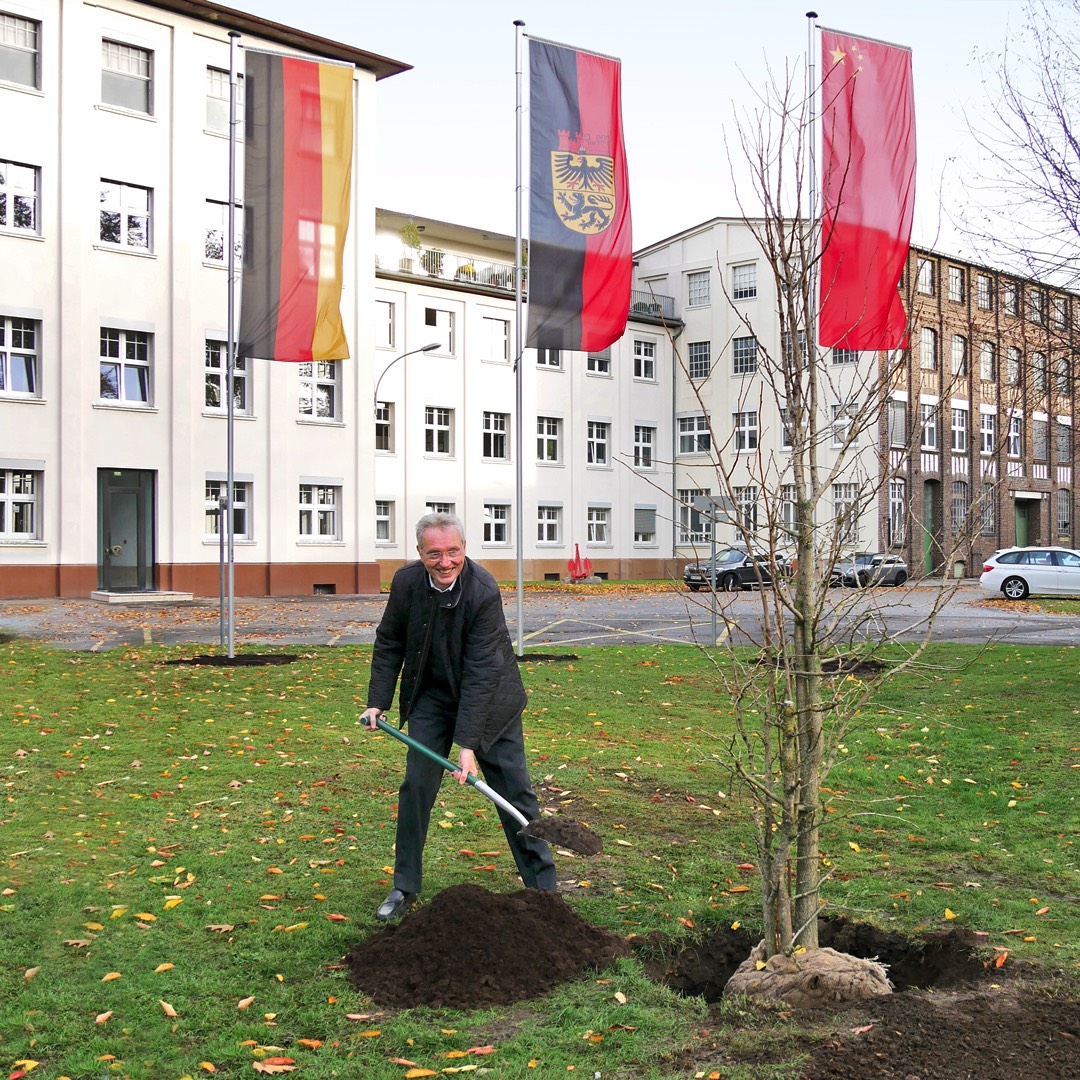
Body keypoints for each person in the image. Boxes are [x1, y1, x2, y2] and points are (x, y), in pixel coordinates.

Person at [360, 511, 556, 920]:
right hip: (432, 698)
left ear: (464, 549)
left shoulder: (482, 589)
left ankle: (544, 892)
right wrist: (378, 700)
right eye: (435, 554)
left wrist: (467, 744)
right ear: (419, 553)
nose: (445, 561)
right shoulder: (406, 583)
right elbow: (390, 641)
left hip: (491, 701)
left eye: (453, 551)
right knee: (416, 787)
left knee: (514, 794)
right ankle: (404, 886)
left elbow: (483, 672)